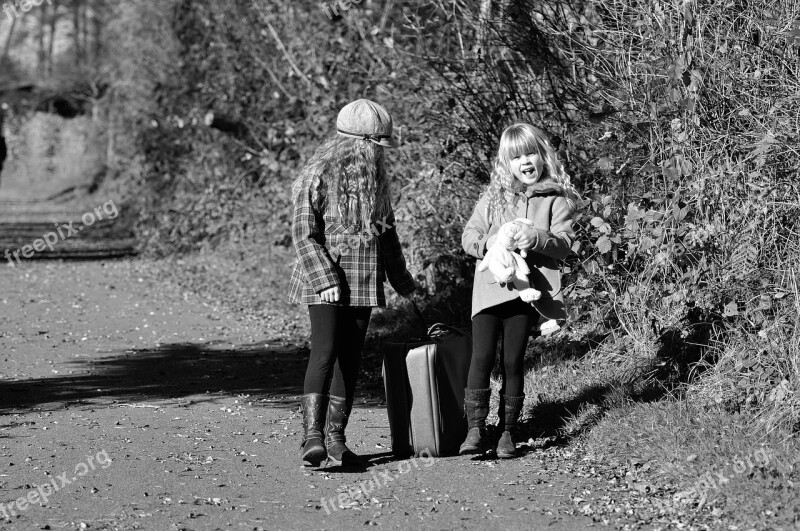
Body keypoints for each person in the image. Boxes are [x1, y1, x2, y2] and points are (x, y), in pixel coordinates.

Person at [289, 99, 418, 467]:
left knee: (350, 358)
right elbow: (303, 233)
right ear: (358, 143)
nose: (379, 156)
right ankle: (312, 437)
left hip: (362, 281)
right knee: (325, 351)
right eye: (375, 148)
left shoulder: (377, 185)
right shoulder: (318, 176)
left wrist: (403, 281)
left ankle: (336, 439)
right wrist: (325, 278)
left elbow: (387, 236)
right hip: (324, 279)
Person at [460, 122, 580, 458]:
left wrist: (537, 239)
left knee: (512, 360)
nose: (525, 162)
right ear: (506, 163)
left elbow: (564, 244)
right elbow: (469, 237)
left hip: (526, 294)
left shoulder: (556, 198)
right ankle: (475, 428)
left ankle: (508, 431)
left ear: (542, 156)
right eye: (517, 157)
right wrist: (491, 242)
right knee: (481, 356)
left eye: (531, 154)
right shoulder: (494, 197)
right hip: (489, 287)